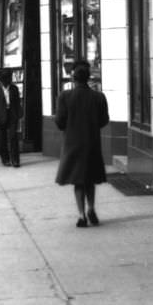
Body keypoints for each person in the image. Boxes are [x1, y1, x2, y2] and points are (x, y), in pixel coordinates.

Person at [54, 61, 109, 227]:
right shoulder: (98, 97)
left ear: (73, 78)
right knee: (90, 179)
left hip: (73, 144)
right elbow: (104, 120)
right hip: (91, 142)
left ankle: (81, 215)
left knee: (78, 181)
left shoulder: (65, 96)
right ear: (88, 78)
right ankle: (92, 208)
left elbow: (60, 122)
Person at [3, 69, 22, 167]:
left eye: (11, 77)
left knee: (13, 137)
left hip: (12, 114)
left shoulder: (14, 88)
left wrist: (19, 114)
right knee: (3, 138)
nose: (10, 79)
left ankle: (15, 160)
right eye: (8, 77)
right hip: (2, 114)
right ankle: (6, 159)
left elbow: (18, 102)